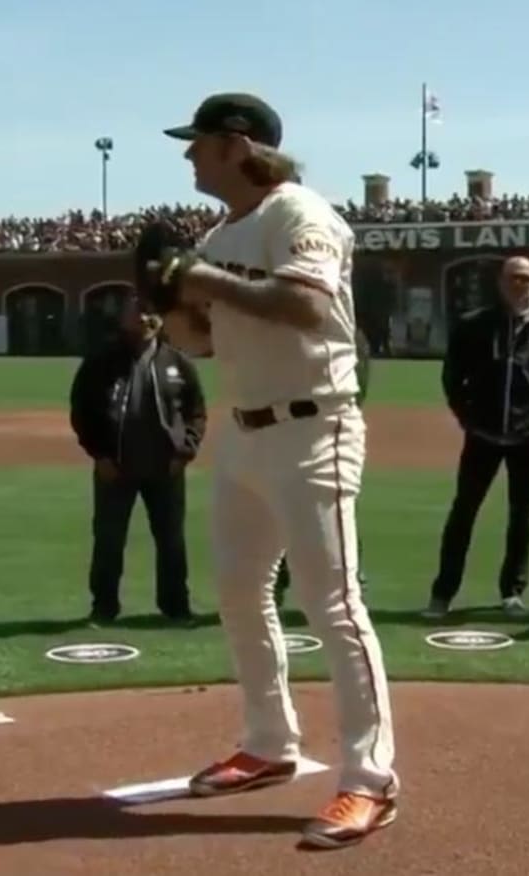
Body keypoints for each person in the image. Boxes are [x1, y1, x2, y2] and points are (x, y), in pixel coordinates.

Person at [149, 92, 398, 850]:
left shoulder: (300, 214)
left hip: (313, 426)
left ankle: (368, 780)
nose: (188, 154)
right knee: (237, 589)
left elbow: (302, 306)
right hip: (246, 432)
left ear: (237, 143)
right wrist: (168, 301)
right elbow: (203, 344)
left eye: (199, 142)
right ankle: (268, 741)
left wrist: (203, 281)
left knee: (334, 605)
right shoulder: (224, 229)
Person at [425, 255, 529, 618]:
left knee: (521, 515)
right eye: (513, 278)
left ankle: (512, 591)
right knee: (463, 511)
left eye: (526, 278)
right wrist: (465, 415)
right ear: (500, 281)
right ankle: (443, 592)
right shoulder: (475, 325)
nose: (519, 284)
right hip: (482, 434)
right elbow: (452, 375)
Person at [68, 293, 206, 625]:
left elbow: (196, 412)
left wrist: (185, 451)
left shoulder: (178, 363)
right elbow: (81, 412)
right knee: (109, 540)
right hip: (115, 467)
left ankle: (175, 607)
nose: (146, 319)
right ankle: (104, 608)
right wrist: (99, 454)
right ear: (124, 318)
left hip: (166, 467)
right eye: (139, 312)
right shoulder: (100, 362)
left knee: (171, 541)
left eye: (152, 313)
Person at [275, 325, 372, 610]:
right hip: (286, 431)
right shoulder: (287, 331)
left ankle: (348, 581)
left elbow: (357, 386)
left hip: (329, 432)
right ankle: (278, 582)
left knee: (335, 507)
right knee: (281, 506)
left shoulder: (352, 333)